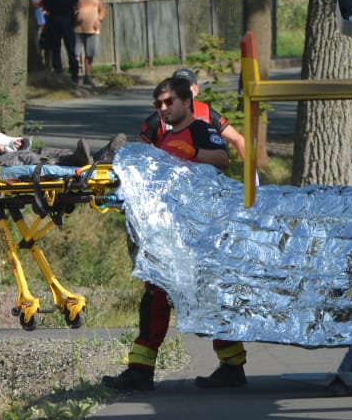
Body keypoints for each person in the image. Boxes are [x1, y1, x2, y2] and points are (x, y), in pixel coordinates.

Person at [104, 76, 249, 391]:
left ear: (187, 102)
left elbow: (222, 160)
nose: (163, 109)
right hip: (167, 231)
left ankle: (232, 366)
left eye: (169, 102)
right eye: (159, 105)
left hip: (197, 233)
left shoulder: (199, 129)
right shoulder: (162, 135)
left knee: (206, 296)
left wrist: (190, 154)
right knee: (154, 297)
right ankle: (140, 370)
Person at [140, 66, 248, 162]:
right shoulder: (158, 118)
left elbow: (237, 140)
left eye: (186, 87)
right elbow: (140, 152)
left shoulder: (206, 113)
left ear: (196, 90)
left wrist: (252, 178)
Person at [41, 0, 80, 80]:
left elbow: (45, 6)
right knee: (71, 48)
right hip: (67, 20)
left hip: (53, 20)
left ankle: (58, 73)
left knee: (56, 48)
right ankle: (74, 75)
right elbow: (76, 4)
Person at [74, 0, 105, 86]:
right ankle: (75, 76)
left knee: (90, 54)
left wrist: (99, 20)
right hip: (78, 29)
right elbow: (70, 8)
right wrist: (75, 14)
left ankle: (87, 76)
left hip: (93, 29)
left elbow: (102, 10)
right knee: (75, 54)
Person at [28, 0, 46, 69]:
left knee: (41, 46)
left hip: (40, 22)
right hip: (32, 23)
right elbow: (33, 5)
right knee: (34, 46)